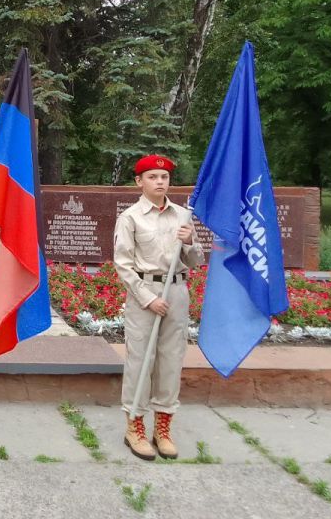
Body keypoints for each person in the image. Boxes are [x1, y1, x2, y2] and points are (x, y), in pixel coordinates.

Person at [113, 154, 203, 461]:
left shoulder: (183, 216)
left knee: (171, 359)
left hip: (176, 290)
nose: (160, 182)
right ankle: (134, 426)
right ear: (139, 181)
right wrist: (148, 298)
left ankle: (163, 427)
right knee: (140, 360)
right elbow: (123, 264)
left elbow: (196, 260)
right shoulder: (131, 218)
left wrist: (190, 242)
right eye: (152, 177)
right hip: (145, 292)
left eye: (164, 177)